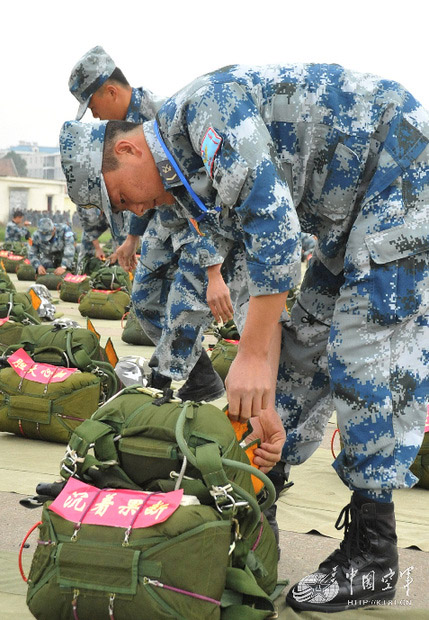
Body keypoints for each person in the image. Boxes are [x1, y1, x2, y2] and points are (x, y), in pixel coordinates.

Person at [60, 62, 429, 612]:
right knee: (298, 349)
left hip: (398, 173)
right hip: (344, 217)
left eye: (121, 198)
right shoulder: (184, 179)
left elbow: (275, 226)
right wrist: (261, 382)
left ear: (131, 152)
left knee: (361, 348)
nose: (135, 212)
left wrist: (252, 354)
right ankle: (256, 501)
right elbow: (253, 279)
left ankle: (372, 555)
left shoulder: (206, 113)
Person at [68, 46, 232, 401]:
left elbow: (199, 193)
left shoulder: (161, 115)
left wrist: (213, 267)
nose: (94, 116)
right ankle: (200, 373)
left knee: (185, 298)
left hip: (196, 220)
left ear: (110, 91)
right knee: (143, 301)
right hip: (163, 219)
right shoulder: (114, 136)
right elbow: (135, 197)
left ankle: (167, 377)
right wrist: (131, 237)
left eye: (92, 105)